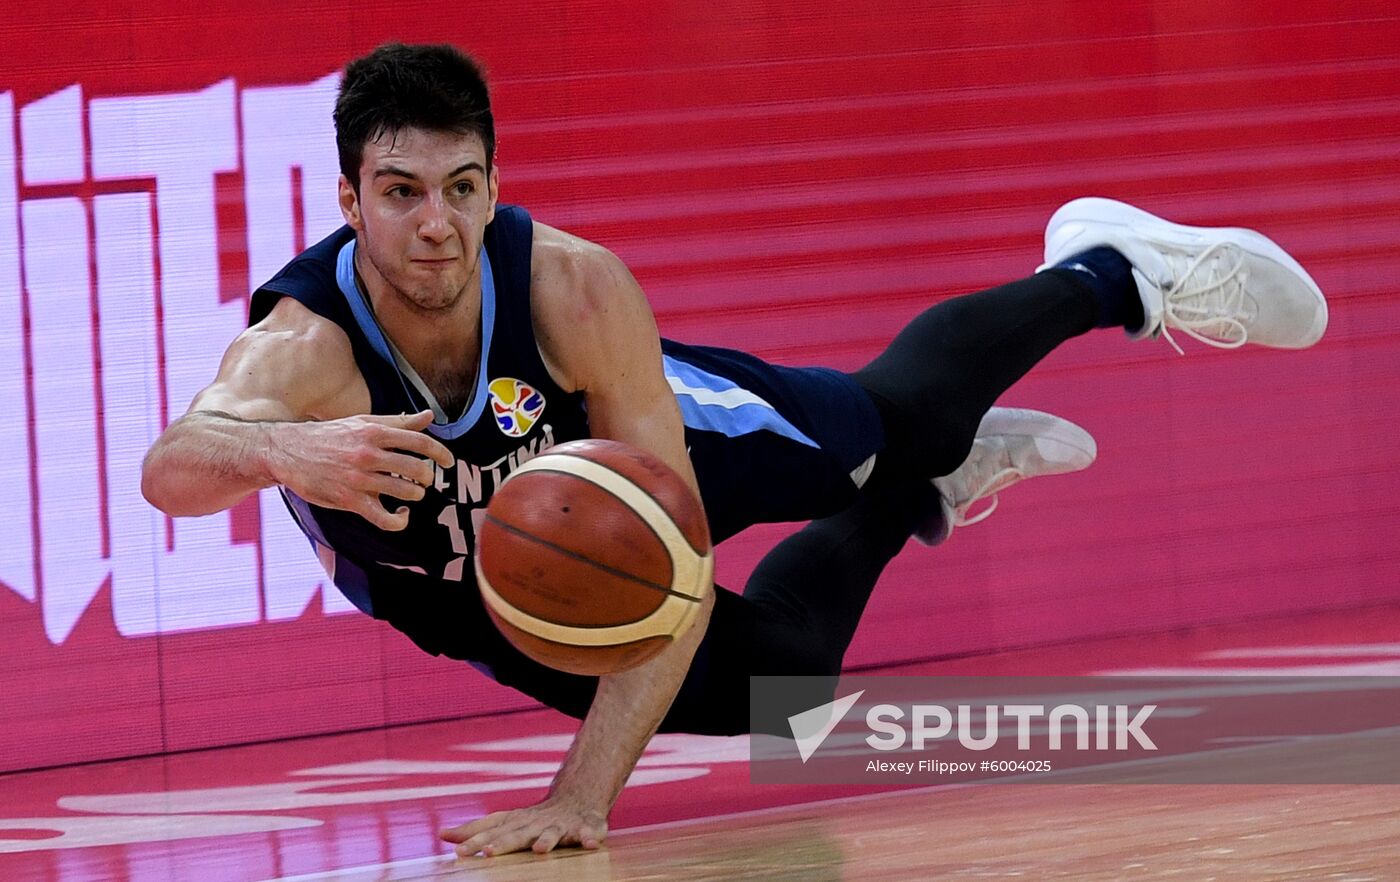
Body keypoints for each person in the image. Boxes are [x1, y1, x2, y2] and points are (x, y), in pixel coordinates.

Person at [140, 43, 1327, 857]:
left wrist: (581, 798)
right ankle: (924, 492)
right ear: (349, 199)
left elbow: (677, 549)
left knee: (896, 420)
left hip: (645, 464)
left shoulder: (568, 285)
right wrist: (288, 454)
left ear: (495, 183)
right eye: (400, 191)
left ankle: (1104, 269)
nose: (436, 221)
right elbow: (172, 466)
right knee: (792, 682)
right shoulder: (304, 349)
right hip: (473, 591)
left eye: (462, 186)